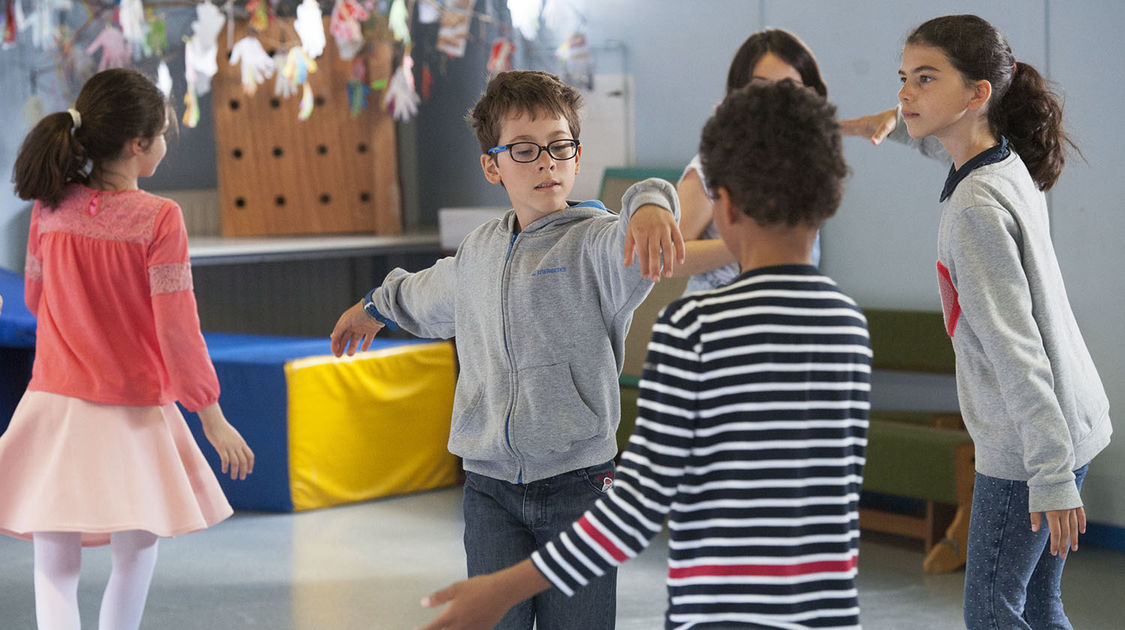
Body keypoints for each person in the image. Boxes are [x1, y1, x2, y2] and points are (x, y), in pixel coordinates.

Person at [417, 79, 870, 630]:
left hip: (716, 613)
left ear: (722, 206)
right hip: (826, 616)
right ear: (834, 199)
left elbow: (635, 505)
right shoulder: (847, 323)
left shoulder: (694, 327)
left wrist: (505, 588)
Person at [329, 70, 683, 630]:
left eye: (559, 146)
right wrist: (376, 304)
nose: (546, 161)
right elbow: (427, 293)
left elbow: (642, 217)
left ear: (575, 153)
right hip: (490, 488)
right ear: (492, 165)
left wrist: (650, 203)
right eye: (524, 149)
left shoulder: (594, 242)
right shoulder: (479, 252)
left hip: (580, 486)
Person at [841, 14, 1112, 629]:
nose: (906, 92)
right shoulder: (1005, 163)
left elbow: (1017, 351)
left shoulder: (973, 210)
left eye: (925, 79)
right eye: (903, 78)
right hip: (1072, 423)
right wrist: (881, 123)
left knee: (992, 612)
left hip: (1029, 448)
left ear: (977, 93)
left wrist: (1047, 476)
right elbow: (935, 135)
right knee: (1038, 608)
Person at [0, 68, 254, 630]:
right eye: (163, 134)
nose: (164, 144)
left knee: (53, 572)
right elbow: (177, 329)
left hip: (54, 410)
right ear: (139, 146)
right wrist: (211, 418)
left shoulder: (49, 209)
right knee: (133, 560)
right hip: (135, 416)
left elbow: (38, 299)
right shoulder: (160, 218)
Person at [676, 28, 827, 293]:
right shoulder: (710, 165)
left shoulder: (807, 164)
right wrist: (748, 243)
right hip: (719, 317)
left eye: (789, 88)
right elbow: (671, 257)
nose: (775, 101)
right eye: (761, 88)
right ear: (737, 92)